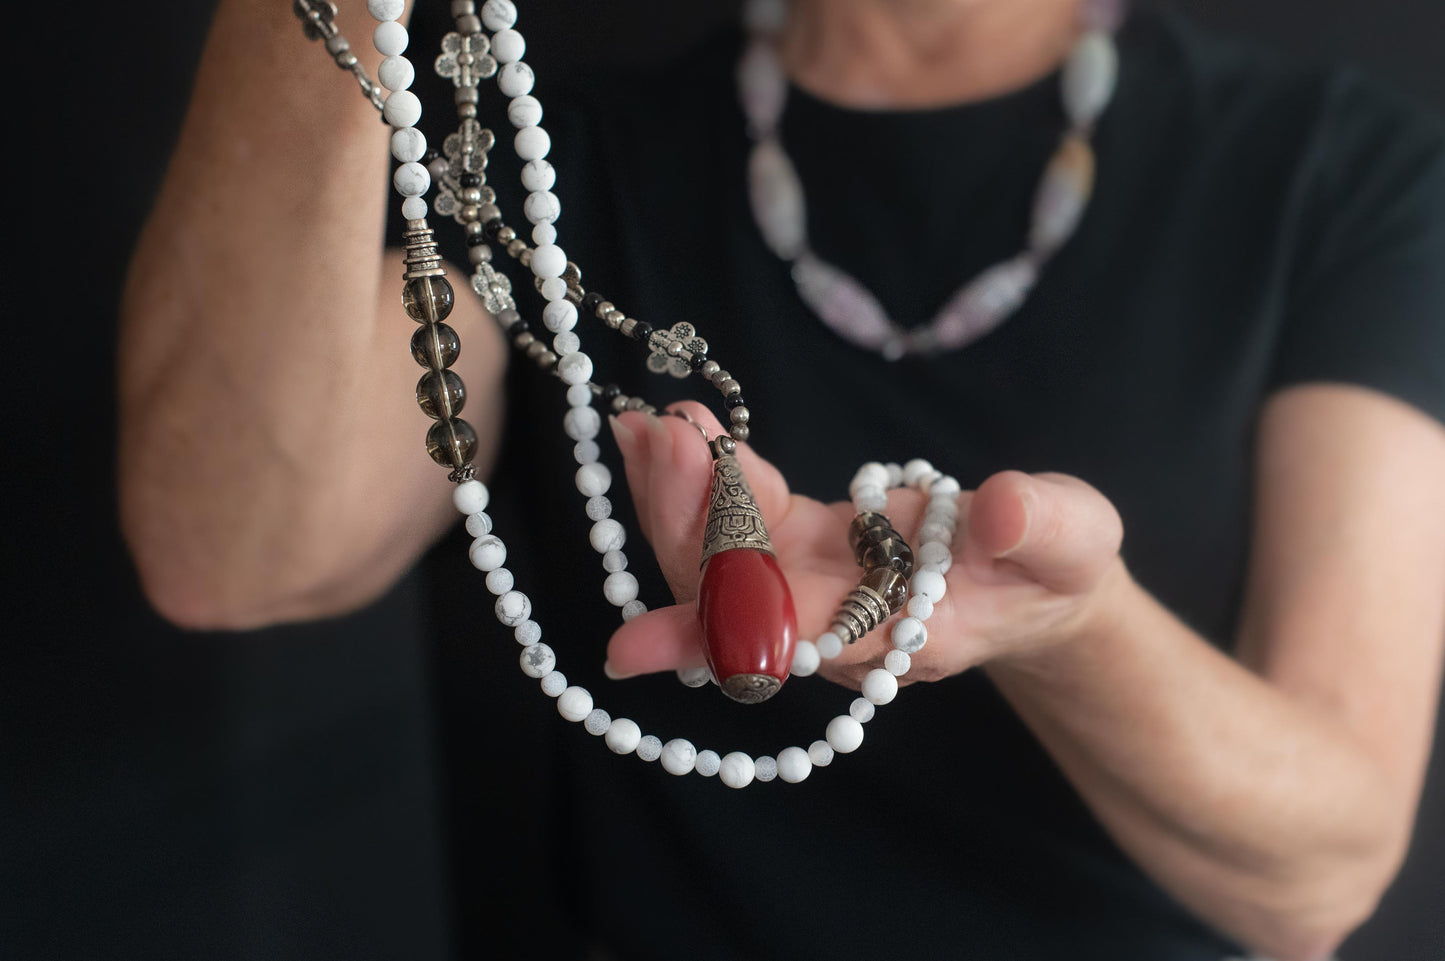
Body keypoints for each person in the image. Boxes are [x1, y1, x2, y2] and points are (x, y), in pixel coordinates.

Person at [119, 0, 1445, 958]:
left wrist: (1070, 628)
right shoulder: (537, 150)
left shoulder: (1342, 174)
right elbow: (228, 552)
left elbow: (1316, 874)